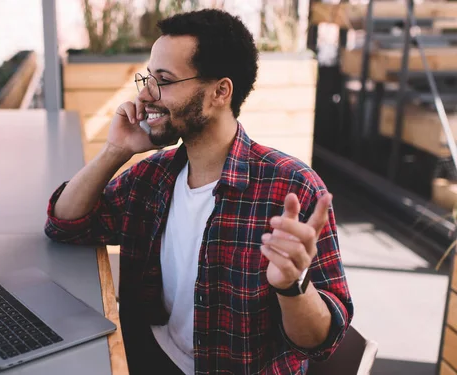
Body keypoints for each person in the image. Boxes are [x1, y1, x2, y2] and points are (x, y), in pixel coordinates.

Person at [45, 8, 353, 375]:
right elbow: (67, 224)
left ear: (220, 92)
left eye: (164, 80)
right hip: (151, 358)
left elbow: (321, 342)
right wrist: (116, 150)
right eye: (147, 78)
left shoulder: (292, 188)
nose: (145, 94)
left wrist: (293, 286)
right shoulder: (152, 176)